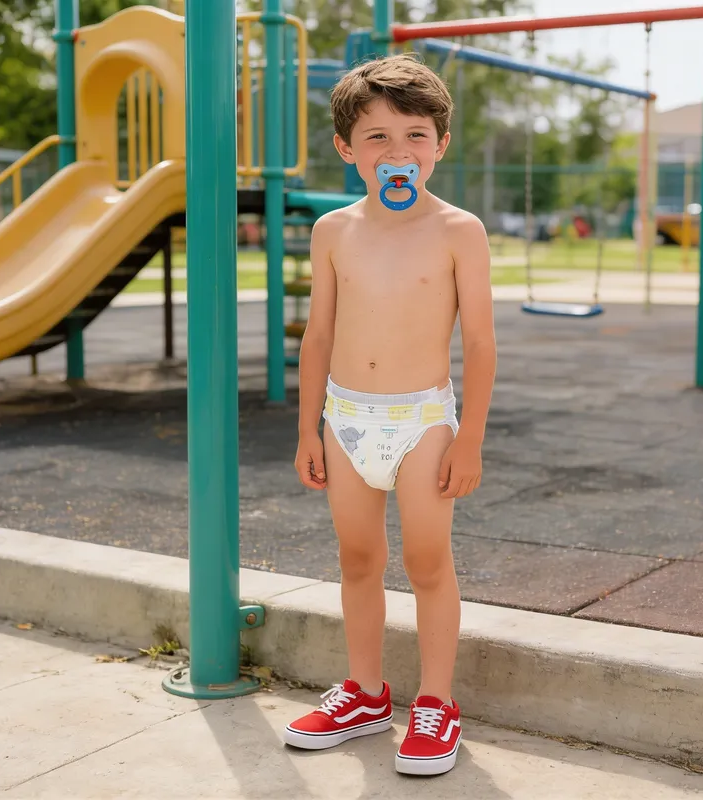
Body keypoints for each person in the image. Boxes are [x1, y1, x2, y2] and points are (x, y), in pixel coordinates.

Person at [285, 53, 497, 777]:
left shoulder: (457, 230)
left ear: (439, 145)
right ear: (347, 150)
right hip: (346, 420)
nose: (397, 152)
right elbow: (317, 336)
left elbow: (480, 342)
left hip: (423, 421)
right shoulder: (333, 231)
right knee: (357, 560)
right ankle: (367, 693)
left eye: (414, 135)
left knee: (428, 561)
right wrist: (309, 426)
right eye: (376, 138)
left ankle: (436, 702)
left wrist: (467, 439)